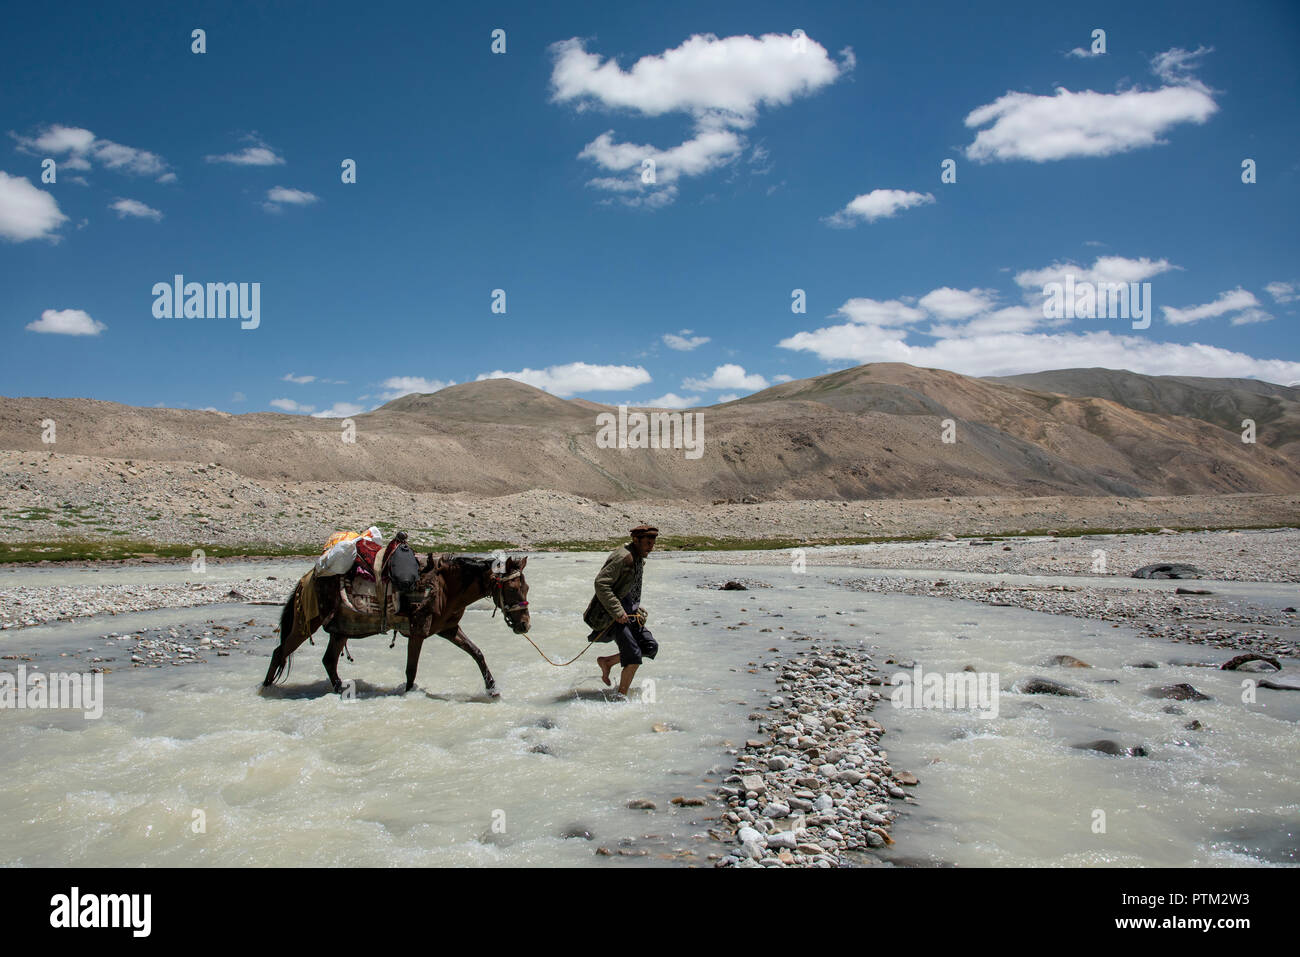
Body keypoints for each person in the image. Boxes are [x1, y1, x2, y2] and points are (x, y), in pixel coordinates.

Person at [584, 524, 659, 697]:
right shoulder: (622, 557)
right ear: (636, 540)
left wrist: (635, 606)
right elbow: (601, 583)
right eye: (647, 543)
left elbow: (627, 587)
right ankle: (621, 697)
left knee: (650, 647)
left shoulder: (638, 556)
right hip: (614, 616)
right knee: (633, 656)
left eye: (652, 543)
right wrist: (618, 611)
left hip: (630, 614)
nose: (651, 547)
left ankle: (608, 662)